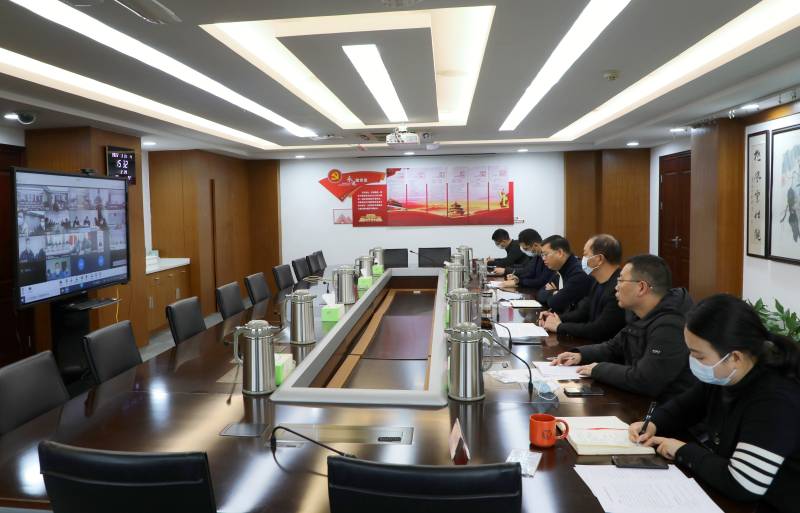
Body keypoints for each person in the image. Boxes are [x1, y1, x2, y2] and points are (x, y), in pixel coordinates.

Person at [629, 294, 800, 513]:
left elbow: (743, 484)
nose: (692, 361)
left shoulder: (776, 399)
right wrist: (652, 423)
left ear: (735, 357)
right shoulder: (727, 375)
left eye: (699, 356)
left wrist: (682, 450)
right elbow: (683, 408)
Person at [552, 254, 696, 402]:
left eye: (620, 281)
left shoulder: (672, 325)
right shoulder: (640, 312)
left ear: (641, 287)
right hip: (641, 401)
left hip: (666, 408)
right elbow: (614, 347)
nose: (616, 287)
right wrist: (580, 355)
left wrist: (598, 369)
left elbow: (646, 379)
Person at [539, 234, 626, 341]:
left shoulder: (619, 288)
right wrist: (554, 318)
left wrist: (560, 327)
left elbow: (599, 330)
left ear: (599, 259)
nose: (582, 260)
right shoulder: (597, 282)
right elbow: (583, 312)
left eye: (585, 255)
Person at [535, 235, 593, 314]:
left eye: (546, 254)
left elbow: (555, 303)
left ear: (560, 253)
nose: (543, 259)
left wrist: (554, 292)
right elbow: (540, 293)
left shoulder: (578, 273)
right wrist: (554, 292)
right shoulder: (561, 269)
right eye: (542, 255)